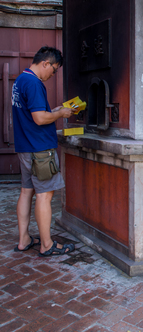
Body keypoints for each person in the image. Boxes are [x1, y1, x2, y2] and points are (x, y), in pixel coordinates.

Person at [12, 46, 76, 257]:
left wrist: (57, 110)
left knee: (26, 191)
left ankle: (23, 240)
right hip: (40, 150)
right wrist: (60, 115)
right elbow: (39, 118)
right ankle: (47, 244)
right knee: (45, 196)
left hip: (25, 148)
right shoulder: (34, 83)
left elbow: (35, 114)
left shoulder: (21, 80)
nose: (53, 74)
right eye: (54, 69)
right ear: (45, 63)